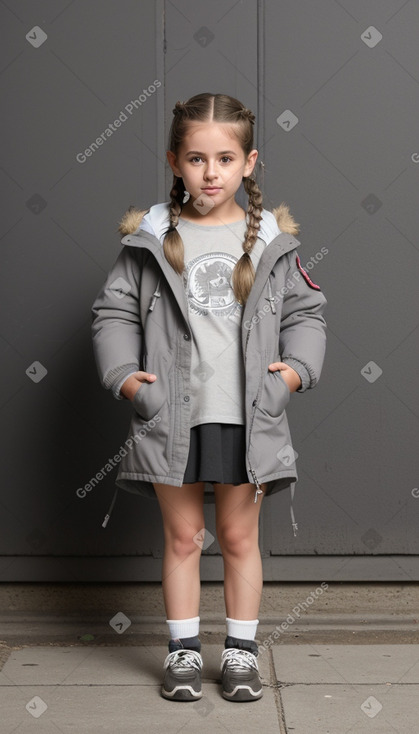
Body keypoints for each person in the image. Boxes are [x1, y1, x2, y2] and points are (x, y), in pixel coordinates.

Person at [91, 92, 327, 703]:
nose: (211, 172)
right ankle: (184, 652)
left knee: (240, 537)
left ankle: (242, 656)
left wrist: (293, 374)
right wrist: (125, 378)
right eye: (196, 159)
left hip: (249, 414)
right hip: (173, 413)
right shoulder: (151, 238)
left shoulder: (272, 241)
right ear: (175, 161)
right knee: (183, 537)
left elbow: (307, 314)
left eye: (225, 159)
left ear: (249, 163)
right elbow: (113, 312)